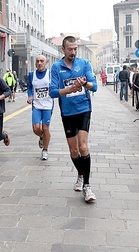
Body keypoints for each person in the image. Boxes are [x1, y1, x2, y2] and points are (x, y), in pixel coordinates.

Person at [49, 36, 97, 203]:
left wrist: (85, 84)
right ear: (63, 49)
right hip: (67, 112)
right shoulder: (56, 67)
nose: (73, 52)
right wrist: (70, 88)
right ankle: (81, 174)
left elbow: (95, 86)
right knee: (73, 151)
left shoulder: (84, 64)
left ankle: (87, 186)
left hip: (84, 108)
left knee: (83, 146)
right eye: (70, 49)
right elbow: (53, 92)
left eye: (75, 49)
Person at [27, 55, 54, 161]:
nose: (39, 63)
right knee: (36, 128)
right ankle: (43, 137)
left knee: (46, 128)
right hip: (36, 105)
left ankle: (45, 150)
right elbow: (30, 87)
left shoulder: (50, 74)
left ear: (46, 62)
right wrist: (29, 96)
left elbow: (56, 86)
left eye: (41, 61)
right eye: (37, 61)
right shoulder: (31, 75)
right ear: (35, 63)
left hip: (48, 105)